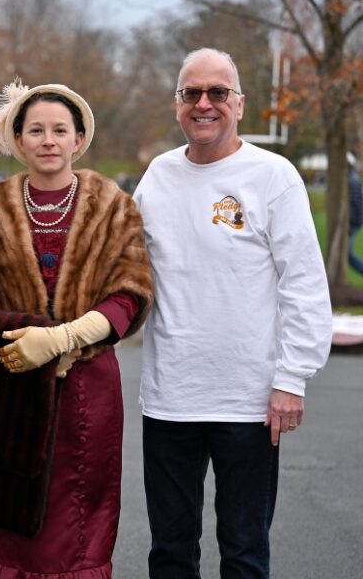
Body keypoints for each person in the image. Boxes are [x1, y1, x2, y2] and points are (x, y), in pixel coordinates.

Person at [133, 48, 333, 579]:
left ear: (239, 104)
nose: (204, 104)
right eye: (191, 93)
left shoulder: (273, 176)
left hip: (248, 401)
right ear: (177, 104)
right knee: (170, 550)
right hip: (170, 398)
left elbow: (305, 285)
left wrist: (292, 378)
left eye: (217, 92)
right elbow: (122, 266)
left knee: (243, 550)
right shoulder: (156, 176)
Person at [0, 80, 153, 578]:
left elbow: (130, 292)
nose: (48, 140)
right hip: (14, 389)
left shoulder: (113, 205)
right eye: (36, 129)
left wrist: (67, 338)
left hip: (90, 393)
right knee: (17, 527)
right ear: (17, 139)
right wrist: (20, 340)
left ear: (78, 139)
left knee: (78, 534)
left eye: (60, 130)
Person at [348, 157, 363, 275]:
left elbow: (355, 204)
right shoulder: (355, 179)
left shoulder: (351, 181)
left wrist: (350, 223)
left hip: (353, 222)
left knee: (348, 254)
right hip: (356, 221)